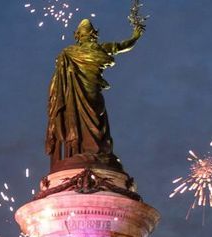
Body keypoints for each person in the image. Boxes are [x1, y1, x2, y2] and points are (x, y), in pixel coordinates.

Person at [45, 17, 144, 169]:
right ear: (93, 34)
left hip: (77, 92)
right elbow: (121, 46)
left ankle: (84, 151)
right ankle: (94, 151)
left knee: (80, 118)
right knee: (96, 118)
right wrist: (135, 37)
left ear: (77, 36)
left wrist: (135, 37)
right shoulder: (93, 49)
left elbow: (57, 79)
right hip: (89, 90)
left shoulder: (69, 53)